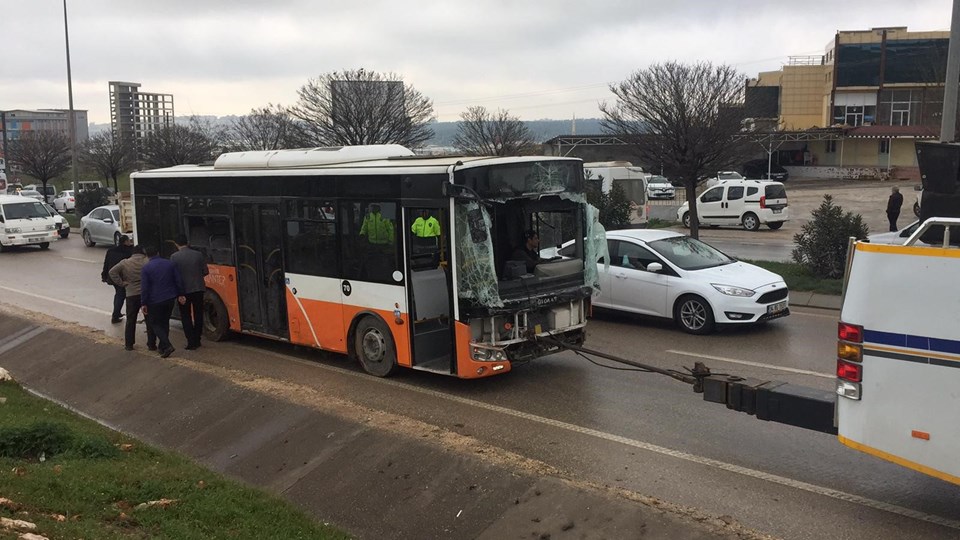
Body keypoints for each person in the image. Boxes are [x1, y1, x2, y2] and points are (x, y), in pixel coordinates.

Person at [140, 245, 185, 358]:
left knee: (154, 323)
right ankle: (162, 347)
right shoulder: (170, 263)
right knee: (165, 322)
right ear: (158, 252)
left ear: (147, 256)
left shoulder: (146, 268)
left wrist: (143, 303)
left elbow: (145, 288)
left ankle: (167, 345)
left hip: (154, 300)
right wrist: (180, 294)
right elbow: (178, 280)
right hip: (170, 298)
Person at [109, 245, 156, 351]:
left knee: (131, 320)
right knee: (150, 320)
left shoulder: (125, 262)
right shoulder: (147, 261)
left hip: (131, 294)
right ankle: (151, 344)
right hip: (146, 294)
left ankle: (129, 344)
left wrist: (121, 283)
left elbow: (112, 272)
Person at [170, 234, 209, 350]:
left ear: (176, 244)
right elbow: (205, 271)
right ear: (187, 242)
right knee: (198, 314)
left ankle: (191, 341)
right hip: (198, 289)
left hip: (183, 291)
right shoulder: (198, 255)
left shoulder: (174, 257)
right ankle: (197, 339)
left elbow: (173, 275)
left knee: (185, 315)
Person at [102, 235, 133, 324]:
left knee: (118, 294)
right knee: (121, 295)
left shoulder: (111, 250)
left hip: (112, 277)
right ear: (125, 242)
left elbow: (106, 263)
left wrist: (104, 275)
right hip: (122, 278)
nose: (130, 242)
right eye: (129, 241)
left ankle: (117, 312)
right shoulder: (128, 252)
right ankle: (115, 316)